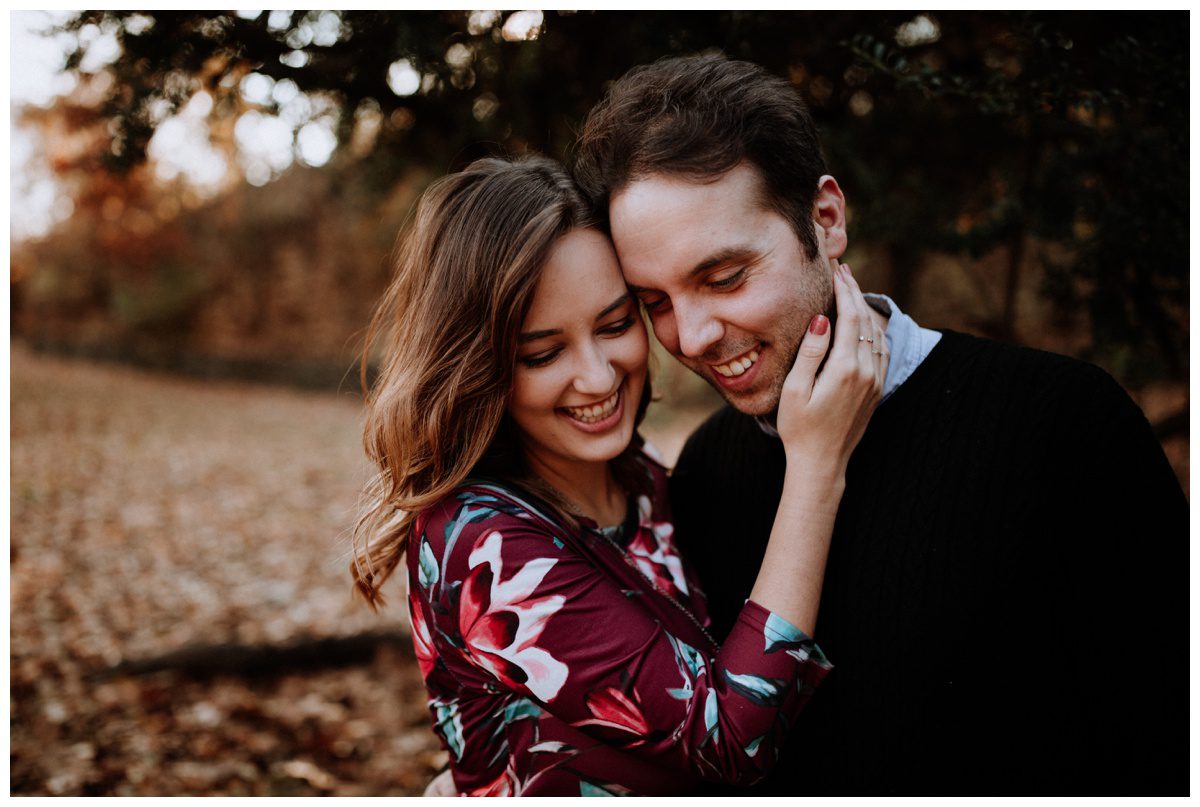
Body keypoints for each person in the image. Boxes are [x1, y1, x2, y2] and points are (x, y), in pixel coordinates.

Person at [571, 54, 1189, 795]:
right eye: (656, 301)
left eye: (725, 276)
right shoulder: (706, 471)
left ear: (825, 219)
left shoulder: (1063, 426)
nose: (694, 335)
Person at [350, 155, 890, 796]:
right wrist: (817, 464)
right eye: (543, 353)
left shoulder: (639, 478)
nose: (600, 378)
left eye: (615, 324)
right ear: (479, 366)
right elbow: (725, 740)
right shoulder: (480, 539)